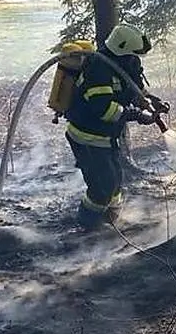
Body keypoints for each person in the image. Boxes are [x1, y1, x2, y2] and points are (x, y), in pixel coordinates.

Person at [63, 24, 169, 229]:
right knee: (102, 188)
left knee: (116, 182)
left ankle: (111, 221)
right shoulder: (98, 69)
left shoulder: (127, 62)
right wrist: (139, 116)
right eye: (133, 53)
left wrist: (152, 101)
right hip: (87, 137)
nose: (136, 58)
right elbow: (106, 110)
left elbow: (133, 88)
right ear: (122, 48)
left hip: (107, 138)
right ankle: (86, 225)